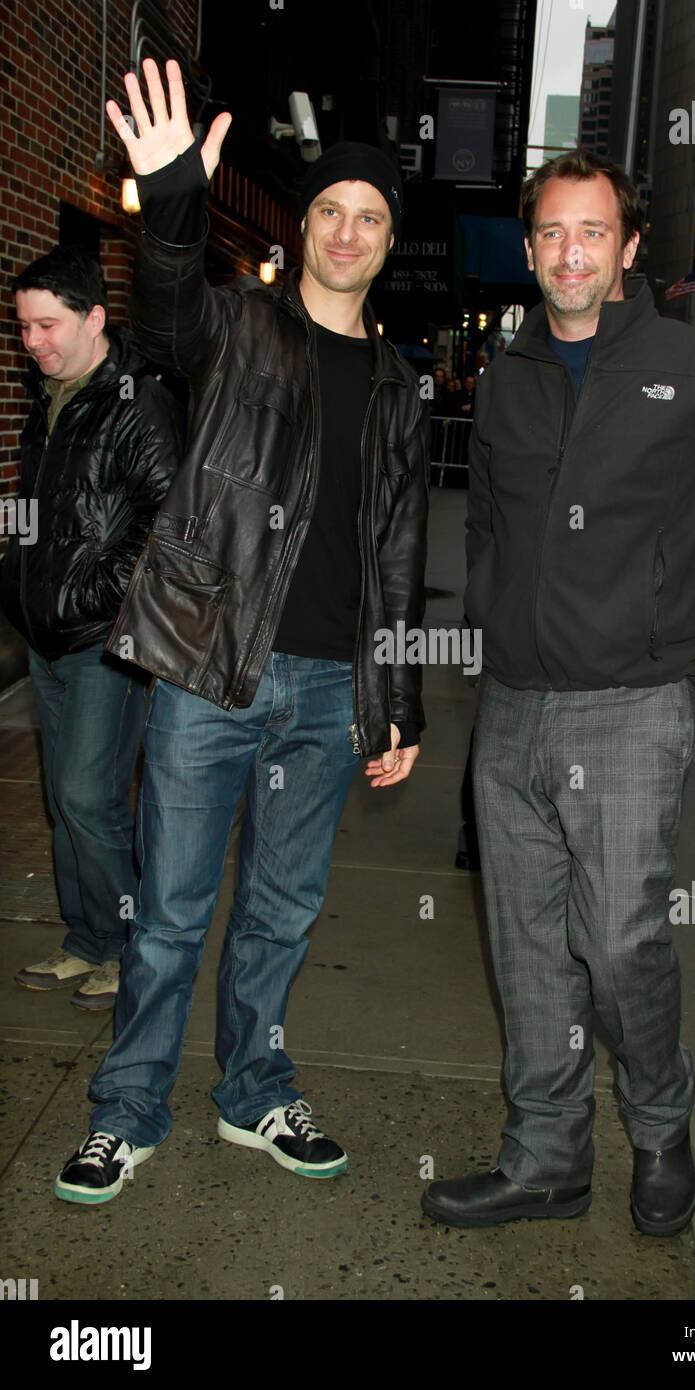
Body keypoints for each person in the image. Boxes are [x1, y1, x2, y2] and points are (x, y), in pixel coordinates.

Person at [421, 150, 695, 1235]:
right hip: (511, 705)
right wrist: (490, 634)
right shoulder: (508, 372)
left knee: (618, 943)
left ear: (628, 247)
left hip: (633, 703)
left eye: (591, 231)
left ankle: (658, 1126)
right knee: (526, 947)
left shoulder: (693, 365)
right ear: (529, 245)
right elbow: (492, 528)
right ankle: (543, 1157)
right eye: (549, 232)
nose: (568, 252)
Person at [54, 59, 428, 1204]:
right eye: (330, 211)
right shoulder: (237, 330)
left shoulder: (402, 386)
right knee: (168, 911)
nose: (348, 232)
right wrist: (171, 198)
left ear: (385, 238)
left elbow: (402, 559)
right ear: (303, 228)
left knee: (280, 908)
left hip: (325, 689)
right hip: (211, 674)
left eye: (369, 217)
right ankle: (128, 1108)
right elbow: (164, 308)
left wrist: (397, 700)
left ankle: (254, 1089)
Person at [2, 247, 182, 1010]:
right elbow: (35, 503)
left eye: (48, 325)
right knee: (64, 795)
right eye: (24, 328)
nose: (33, 341)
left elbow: (165, 522)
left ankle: (127, 944)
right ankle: (88, 939)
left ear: (94, 318)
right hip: (47, 632)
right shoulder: (53, 394)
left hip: (106, 638)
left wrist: (86, 596)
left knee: (89, 795)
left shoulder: (138, 400)